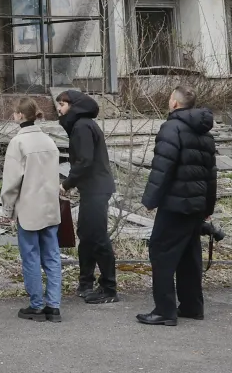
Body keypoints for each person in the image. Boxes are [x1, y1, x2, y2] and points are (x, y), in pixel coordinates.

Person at [136, 85, 217, 326]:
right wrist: (208, 208)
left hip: (175, 204)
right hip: (196, 205)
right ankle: (192, 306)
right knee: (189, 255)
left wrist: (150, 200)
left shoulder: (171, 128)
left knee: (161, 252)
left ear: (174, 103)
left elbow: (163, 167)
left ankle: (164, 311)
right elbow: (211, 174)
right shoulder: (205, 133)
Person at [0, 98, 62, 322]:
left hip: (28, 209)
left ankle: (36, 305)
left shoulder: (18, 143)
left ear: (19, 115)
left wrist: (8, 210)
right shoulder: (49, 141)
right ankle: (54, 305)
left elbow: (11, 182)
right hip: (50, 207)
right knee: (52, 256)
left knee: (31, 257)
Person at [56, 88, 118, 303]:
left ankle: (109, 288)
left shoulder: (82, 126)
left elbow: (84, 161)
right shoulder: (82, 125)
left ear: (73, 106)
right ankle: (86, 282)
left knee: (97, 237)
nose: (59, 109)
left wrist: (66, 184)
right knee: (86, 234)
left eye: (62, 105)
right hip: (93, 188)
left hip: (96, 188)